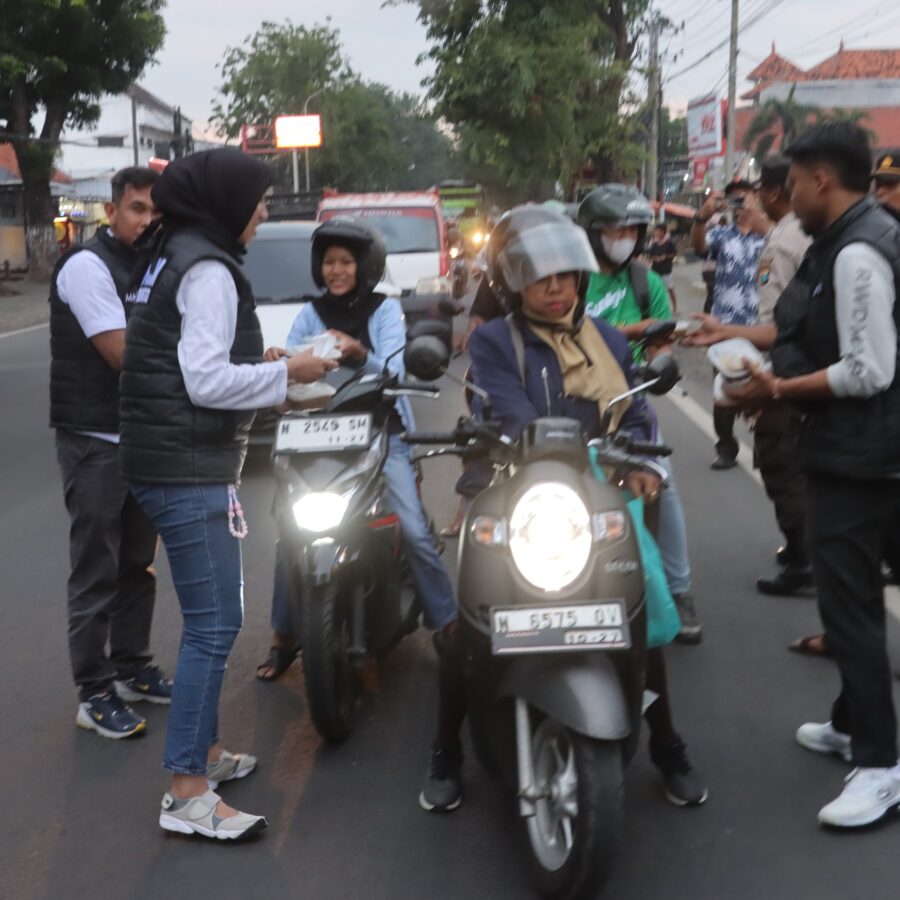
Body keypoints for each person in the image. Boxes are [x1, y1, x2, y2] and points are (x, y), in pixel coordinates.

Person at [418, 207, 707, 813]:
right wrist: (532, 444)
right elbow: (508, 408)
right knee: (474, 619)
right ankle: (445, 746)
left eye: (567, 277)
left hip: (597, 491)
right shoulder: (497, 341)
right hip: (511, 485)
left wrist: (644, 465)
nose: (557, 289)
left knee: (639, 611)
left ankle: (668, 741)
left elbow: (634, 407)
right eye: (542, 278)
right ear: (514, 283)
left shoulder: (602, 337)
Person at [120, 148, 336, 840]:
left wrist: (269, 366)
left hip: (174, 459)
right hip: (186, 467)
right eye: (257, 201)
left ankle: (206, 755)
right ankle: (187, 791)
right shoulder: (208, 269)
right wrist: (289, 373)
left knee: (212, 618)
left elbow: (190, 361)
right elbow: (205, 382)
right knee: (214, 625)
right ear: (224, 207)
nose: (265, 212)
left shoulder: (178, 253)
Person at [725, 123, 900, 828]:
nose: (784, 193)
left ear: (822, 179)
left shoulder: (857, 252)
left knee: (849, 612)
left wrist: (777, 391)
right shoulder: (854, 237)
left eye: (792, 181)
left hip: (862, 460)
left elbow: (869, 369)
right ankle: (850, 721)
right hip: (868, 453)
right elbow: (808, 330)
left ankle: (882, 765)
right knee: (847, 601)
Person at [256, 218, 458, 681]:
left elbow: (392, 369)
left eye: (346, 261)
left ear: (365, 265)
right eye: (328, 262)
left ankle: (447, 623)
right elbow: (297, 367)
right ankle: (283, 637)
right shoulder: (310, 314)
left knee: (412, 526)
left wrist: (355, 352)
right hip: (317, 434)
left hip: (380, 432)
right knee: (288, 526)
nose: (336, 270)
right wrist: (278, 363)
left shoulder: (384, 311)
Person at [50, 166, 173, 740]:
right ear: (111, 211)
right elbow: (120, 353)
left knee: (136, 563)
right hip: (93, 436)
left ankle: (130, 666)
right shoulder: (87, 266)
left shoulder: (149, 265)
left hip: (137, 435)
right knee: (97, 566)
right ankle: (93, 690)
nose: (147, 220)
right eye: (137, 209)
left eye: (154, 212)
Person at [577, 184, 701, 644]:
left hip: (628, 403)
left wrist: (659, 347)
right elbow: (567, 333)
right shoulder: (569, 280)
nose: (624, 237)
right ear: (591, 233)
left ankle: (680, 589)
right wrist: (630, 329)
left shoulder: (645, 282)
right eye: (613, 229)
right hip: (569, 401)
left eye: (631, 229)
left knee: (662, 488)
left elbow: (660, 341)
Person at [686, 155, 813, 598]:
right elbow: (701, 244)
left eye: (755, 193)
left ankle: (803, 559)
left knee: (780, 458)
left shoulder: (781, 241)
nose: (747, 202)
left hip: (783, 362)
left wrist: (722, 331)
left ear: (773, 193)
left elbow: (782, 326)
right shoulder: (807, 234)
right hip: (794, 359)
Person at [691, 178, 767, 470]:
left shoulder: (769, 235)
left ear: (756, 197)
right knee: (723, 390)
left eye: (743, 197)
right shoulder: (721, 235)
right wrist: (702, 217)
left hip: (761, 327)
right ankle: (726, 447)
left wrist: (761, 222)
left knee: (764, 391)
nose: (738, 204)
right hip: (723, 326)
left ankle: (763, 448)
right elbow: (699, 247)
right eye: (732, 199)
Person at [647, 223, 678, 310]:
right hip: (656, 269)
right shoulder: (654, 244)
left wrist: (665, 257)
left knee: (670, 289)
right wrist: (655, 258)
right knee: (655, 289)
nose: (656, 233)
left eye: (658, 231)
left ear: (663, 232)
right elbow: (650, 256)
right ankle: (656, 307)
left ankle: (675, 307)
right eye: (656, 231)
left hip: (666, 269)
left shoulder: (669, 243)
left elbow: (674, 253)